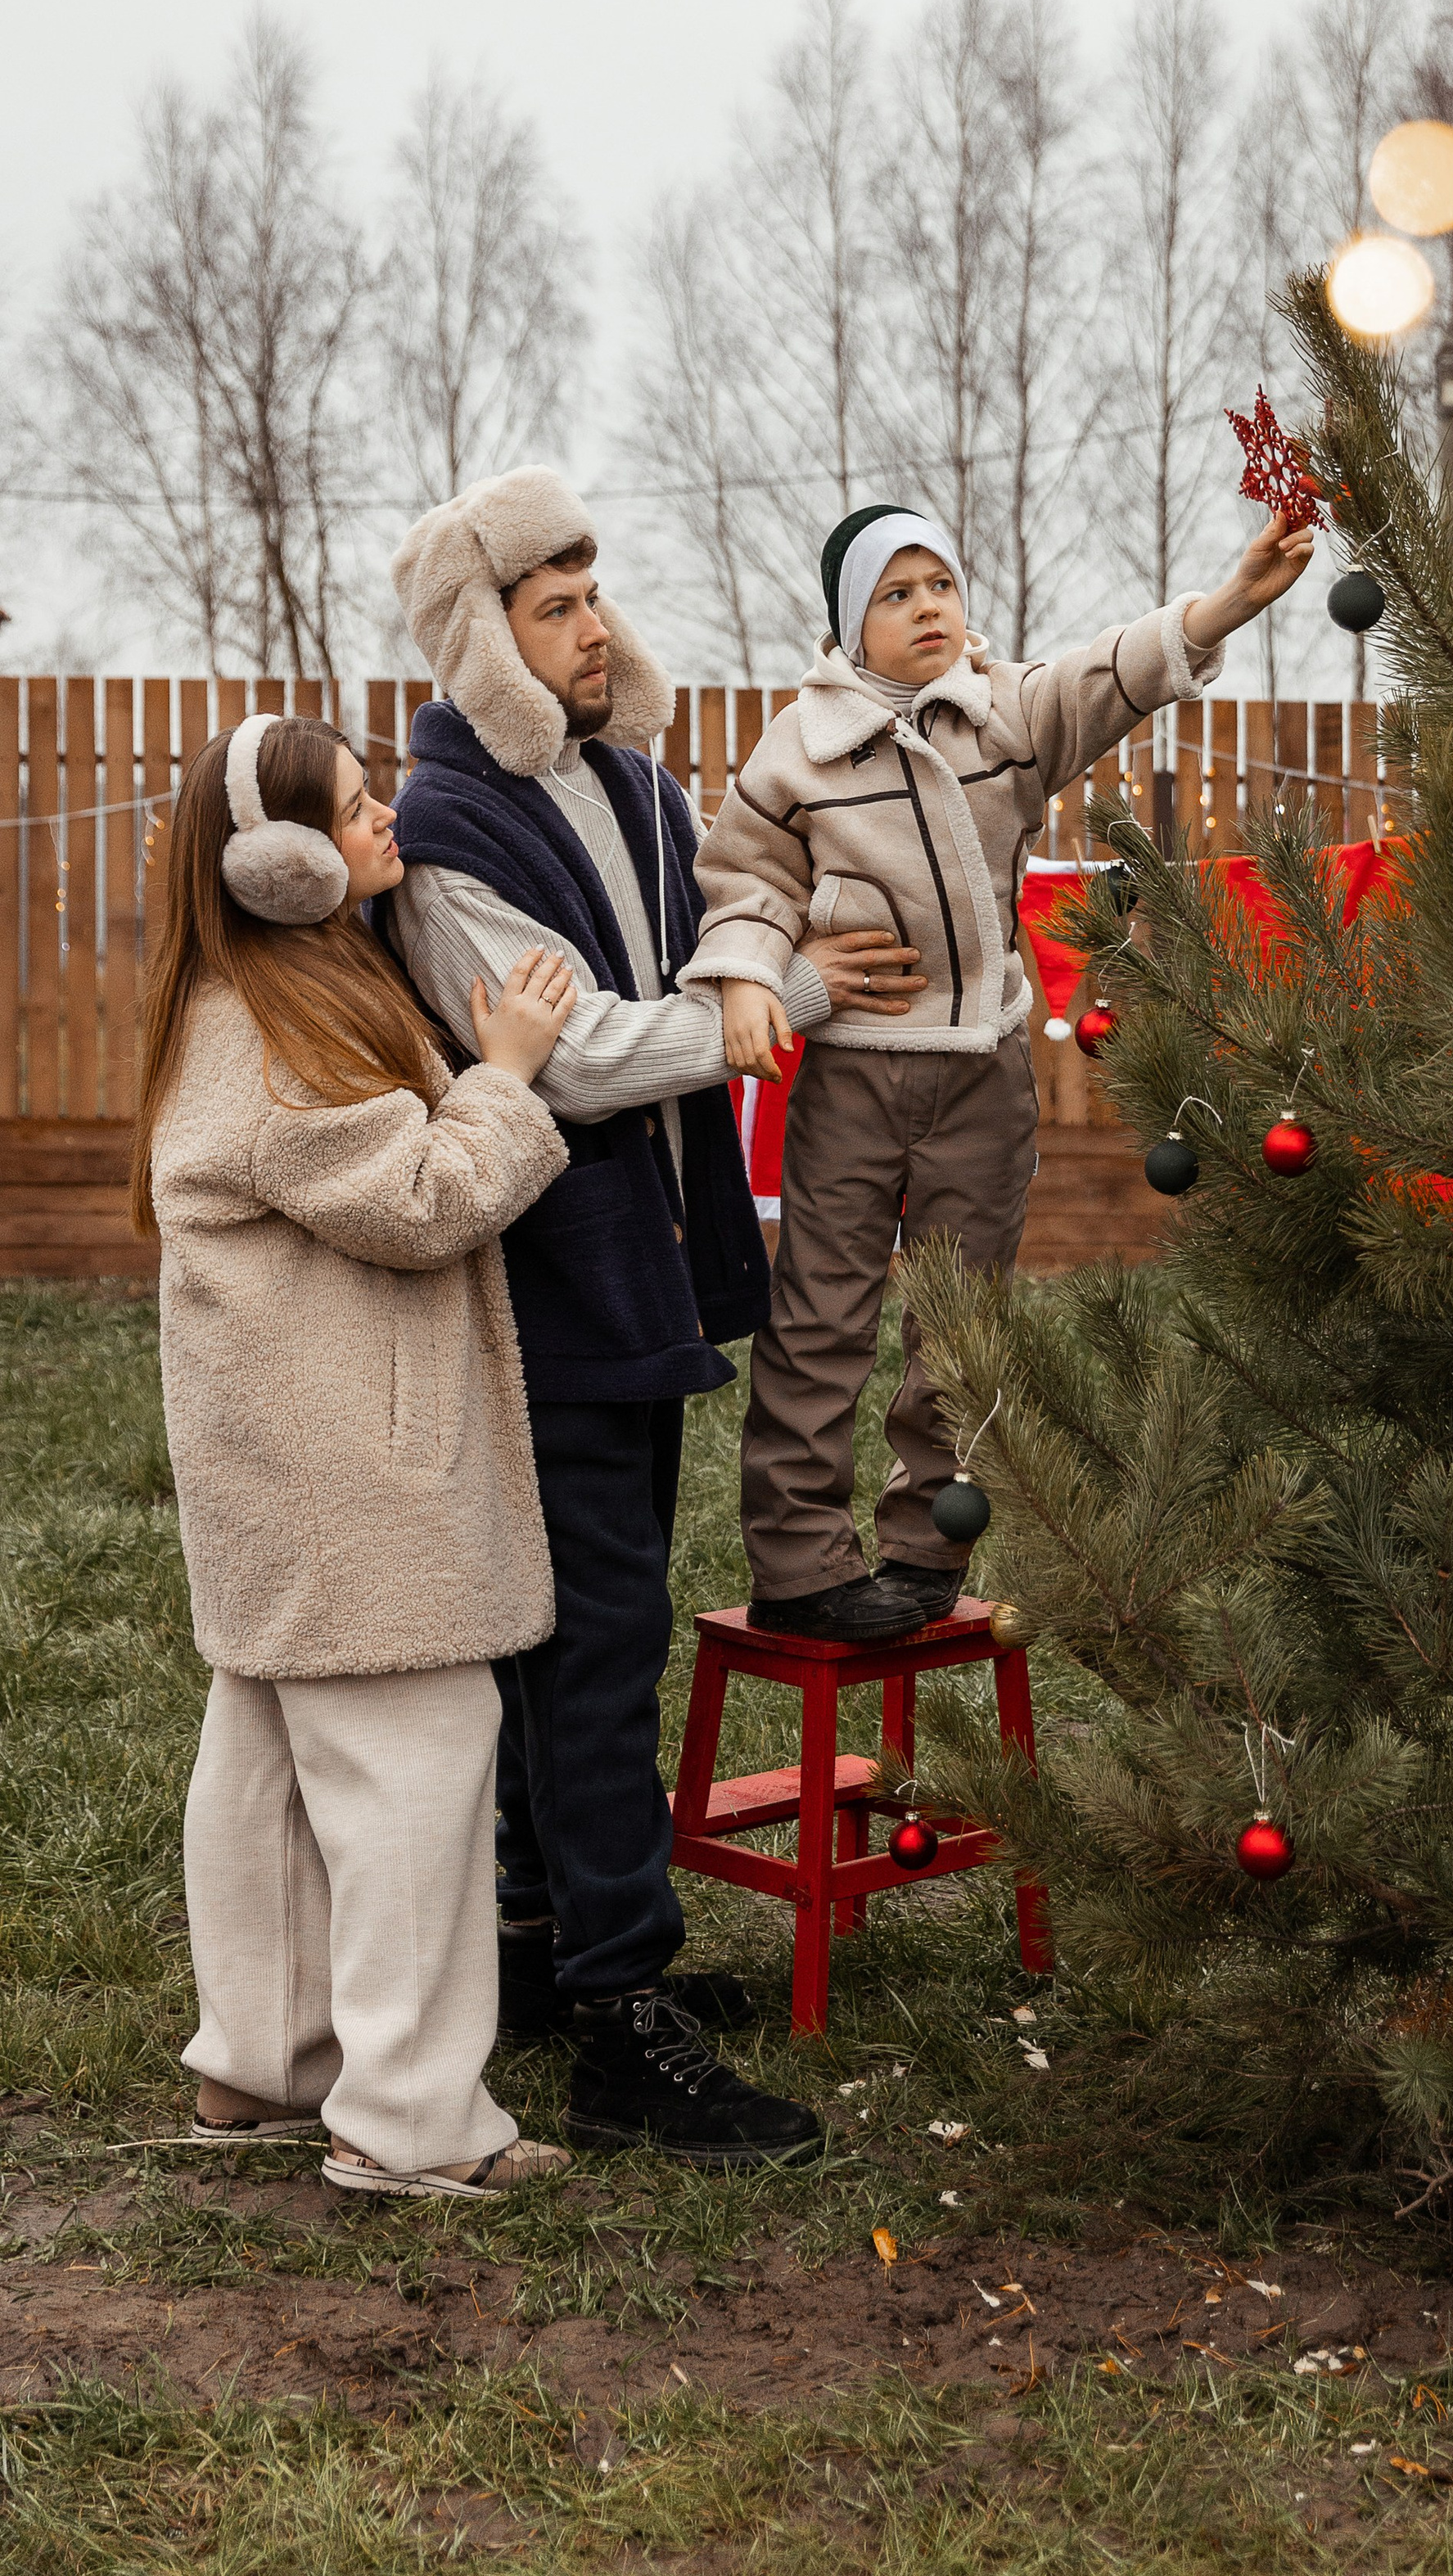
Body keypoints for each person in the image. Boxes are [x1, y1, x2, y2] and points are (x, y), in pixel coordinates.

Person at [385, 463, 923, 2163]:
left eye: (592, 588)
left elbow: (707, 946)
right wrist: (804, 997)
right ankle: (624, 2020)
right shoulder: (450, 831)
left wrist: (803, 929)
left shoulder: (630, 778)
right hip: (550, 1287)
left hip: (641, 1269)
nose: (592, 624)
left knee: (579, 1627)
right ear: (483, 638)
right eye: (550, 606)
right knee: (595, 1644)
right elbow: (586, 1054)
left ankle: (542, 1951)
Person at [687, 502, 1317, 1642]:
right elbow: (745, 881)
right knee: (823, 1311)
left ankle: (929, 1544)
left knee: (962, 1318)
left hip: (981, 1071)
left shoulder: (1006, 714)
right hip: (853, 1072)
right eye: (897, 592)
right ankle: (796, 1559)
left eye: (941, 585)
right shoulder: (800, 749)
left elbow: (1112, 671)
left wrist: (1229, 601)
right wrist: (746, 977)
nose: (929, 606)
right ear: (848, 624)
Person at [139, 710, 577, 2199]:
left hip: (290, 1467)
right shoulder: (273, 1041)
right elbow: (430, 1198)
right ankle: (407, 2116)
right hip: (350, 1483)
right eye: (351, 806)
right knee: (418, 1763)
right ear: (271, 868)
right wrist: (508, 1068)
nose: (385, 816)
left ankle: (257, 2059)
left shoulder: (262, 1006)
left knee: (265, 1759)